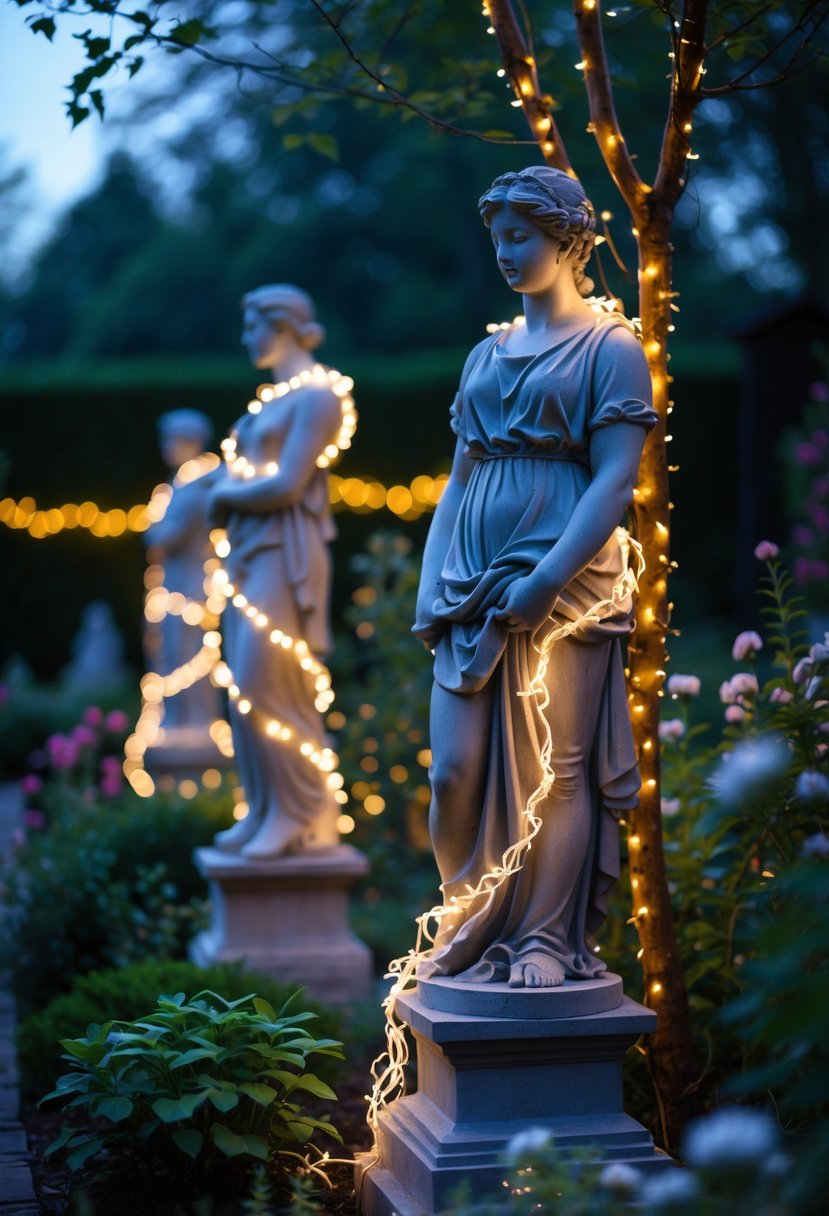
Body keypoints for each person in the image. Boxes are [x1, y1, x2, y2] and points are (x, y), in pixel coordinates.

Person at [413, 167, 657, 989]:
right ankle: (467, 919)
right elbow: (458, 480)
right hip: (469, 586)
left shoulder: (609, 348)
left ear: (567, 241)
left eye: (520, 236)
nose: (506, 253)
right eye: (497, 239)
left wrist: (549, 577)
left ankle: (544, 939)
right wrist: (432, 585)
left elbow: (614, 480)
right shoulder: (485, 354)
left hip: (567, 587)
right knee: (452, 771)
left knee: (558, 767)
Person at [207, 285, 347, 858]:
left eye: (253, 326)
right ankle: (264, 808)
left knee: (268, 683)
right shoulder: (271, 401)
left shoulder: (319, 395)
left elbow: (289, 483)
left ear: (282, 325)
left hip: (285, 553)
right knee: (243, 690)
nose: (246, 339)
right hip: (247, 553)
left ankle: (300, 814)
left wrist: (222, 496)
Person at [144, 409, 223, 731]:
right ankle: (180, 720)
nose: (166, 446)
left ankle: (191, 723)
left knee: (185, 657)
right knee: (172, 655)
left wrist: (153, 529)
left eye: (172, 439)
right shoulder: (179, 485)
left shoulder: (193, 490)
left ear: (192, 442)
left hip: (188, 590)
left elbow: (162, 537)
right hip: (175, 587)